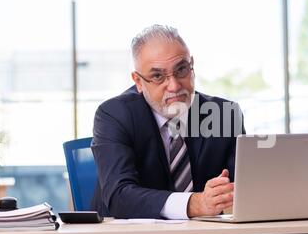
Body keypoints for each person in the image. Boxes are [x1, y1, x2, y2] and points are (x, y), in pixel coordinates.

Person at [90, 25, 245, 219]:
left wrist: (226, 194)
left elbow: (244, 191)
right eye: (157, 76)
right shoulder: (114, 115)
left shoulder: (224, 114)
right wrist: (194, 204)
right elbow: (119, 196)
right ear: (138, 81)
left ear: (192, 66)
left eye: (181, 70)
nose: (174, 85)